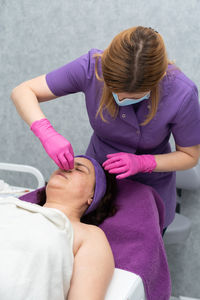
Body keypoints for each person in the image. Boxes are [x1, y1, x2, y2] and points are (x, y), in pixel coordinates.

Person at [11, 26, 200, 231]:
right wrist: (46, 133)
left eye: (133, 97)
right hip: (97, 185)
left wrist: (143, 162)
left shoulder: (182, 93)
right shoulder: (92, 67)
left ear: (157, 81)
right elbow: (23, 91)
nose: (121, 100)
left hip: (150, 190)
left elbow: (190, 156)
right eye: (114, 90)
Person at [0, 155, 116, 300]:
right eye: (64, 164)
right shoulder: (9, 205)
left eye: (79, 169)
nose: (67, 168)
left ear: (92, 196)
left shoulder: (88, 235)